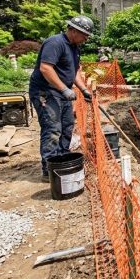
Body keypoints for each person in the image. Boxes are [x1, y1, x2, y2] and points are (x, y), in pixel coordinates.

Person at [29, 16, 94, 178]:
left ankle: (62, 161)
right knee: (53, 129)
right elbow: (45, 68)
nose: (86, 39)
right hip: (46, 92)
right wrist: (64, 89)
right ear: (74, 30)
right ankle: (49, 171)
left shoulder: (74, 47)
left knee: (67, 126)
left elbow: (74, 71)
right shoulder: (55, 43)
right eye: (85, 35)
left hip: (60, 93)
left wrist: (83, 89)